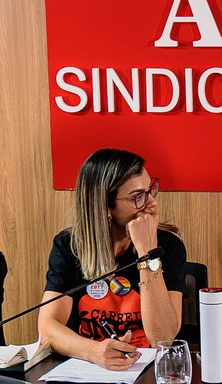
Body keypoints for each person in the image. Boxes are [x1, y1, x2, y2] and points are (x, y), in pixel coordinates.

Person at [36, 148, 186, 371]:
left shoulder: (168, 246)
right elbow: (48, 328)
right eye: (137, 197)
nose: (152, 202)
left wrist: (146, 252)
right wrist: (94, 352)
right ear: (105, 206)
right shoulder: (69, 246)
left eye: (150, 190)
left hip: (149, 372)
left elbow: (162, 338)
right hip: (86, 372)